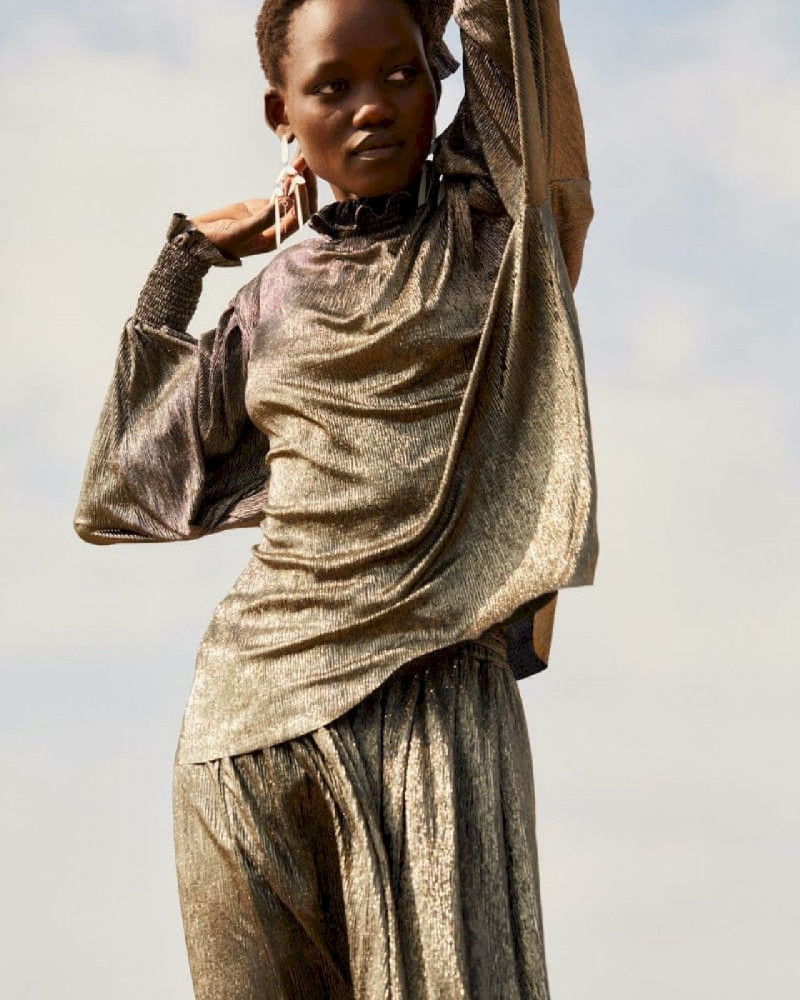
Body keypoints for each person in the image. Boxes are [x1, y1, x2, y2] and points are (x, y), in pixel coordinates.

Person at [73, 0, 597, 996]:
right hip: (243, 728)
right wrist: (183, 260)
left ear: (439, 77)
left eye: (399, 74)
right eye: (332, 86)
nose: (371, 106)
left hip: (431, 695)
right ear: (283, 112)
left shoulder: (494, 225)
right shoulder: (265, 305)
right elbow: (119, 490)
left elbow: (508, 34)